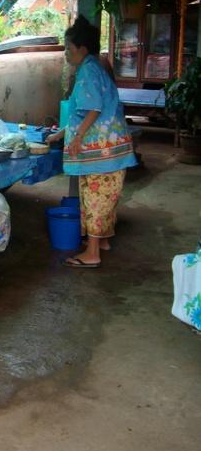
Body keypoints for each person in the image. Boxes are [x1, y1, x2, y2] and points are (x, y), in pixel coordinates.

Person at [46, 15, 137, 268]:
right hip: (112, 150)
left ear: (82, 49)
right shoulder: (95, 67)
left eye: (68, 48)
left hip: (103, 152)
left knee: (96, 198)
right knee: (103, 198)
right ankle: (102, 240)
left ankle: (93, 253)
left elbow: (93, 108)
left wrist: (75, 138)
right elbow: (83, 111)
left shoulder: (87, 70)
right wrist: (61, 133)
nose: (65, 54)